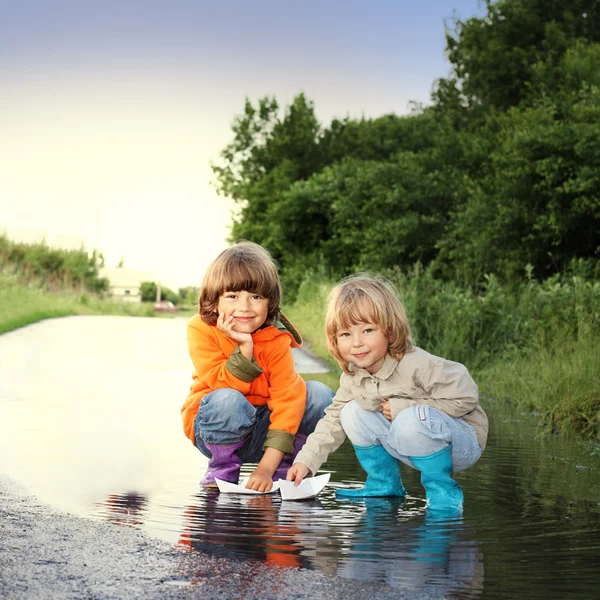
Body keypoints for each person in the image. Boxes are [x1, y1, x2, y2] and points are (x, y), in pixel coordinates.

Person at [288, 274, 488, 515]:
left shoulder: (416, 364)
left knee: (408, 417)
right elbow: (332, 420)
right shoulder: (353, 376)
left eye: (367, 330)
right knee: (350, 412)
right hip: (411, 442)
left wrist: (407, 407)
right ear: (335, 340)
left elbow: (466, 397)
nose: (357, 343)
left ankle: (444, 494)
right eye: (345, 334)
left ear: (390, 331)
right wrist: (305, 461)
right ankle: (384, 484)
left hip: (461, 441)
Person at [181, 241, 334, 492]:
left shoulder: (276, 339)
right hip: (216, 429)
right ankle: (222, 469)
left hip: (266, 436)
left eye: (256, 296)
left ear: (269, 302)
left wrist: (266, 468)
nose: (244, 307)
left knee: (319, 395)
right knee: (228, 400)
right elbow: (222, 386)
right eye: (232, 296)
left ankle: (285, 467)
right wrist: (244, 349)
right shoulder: (200, 329)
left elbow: (287, 402)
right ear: (215, 301)